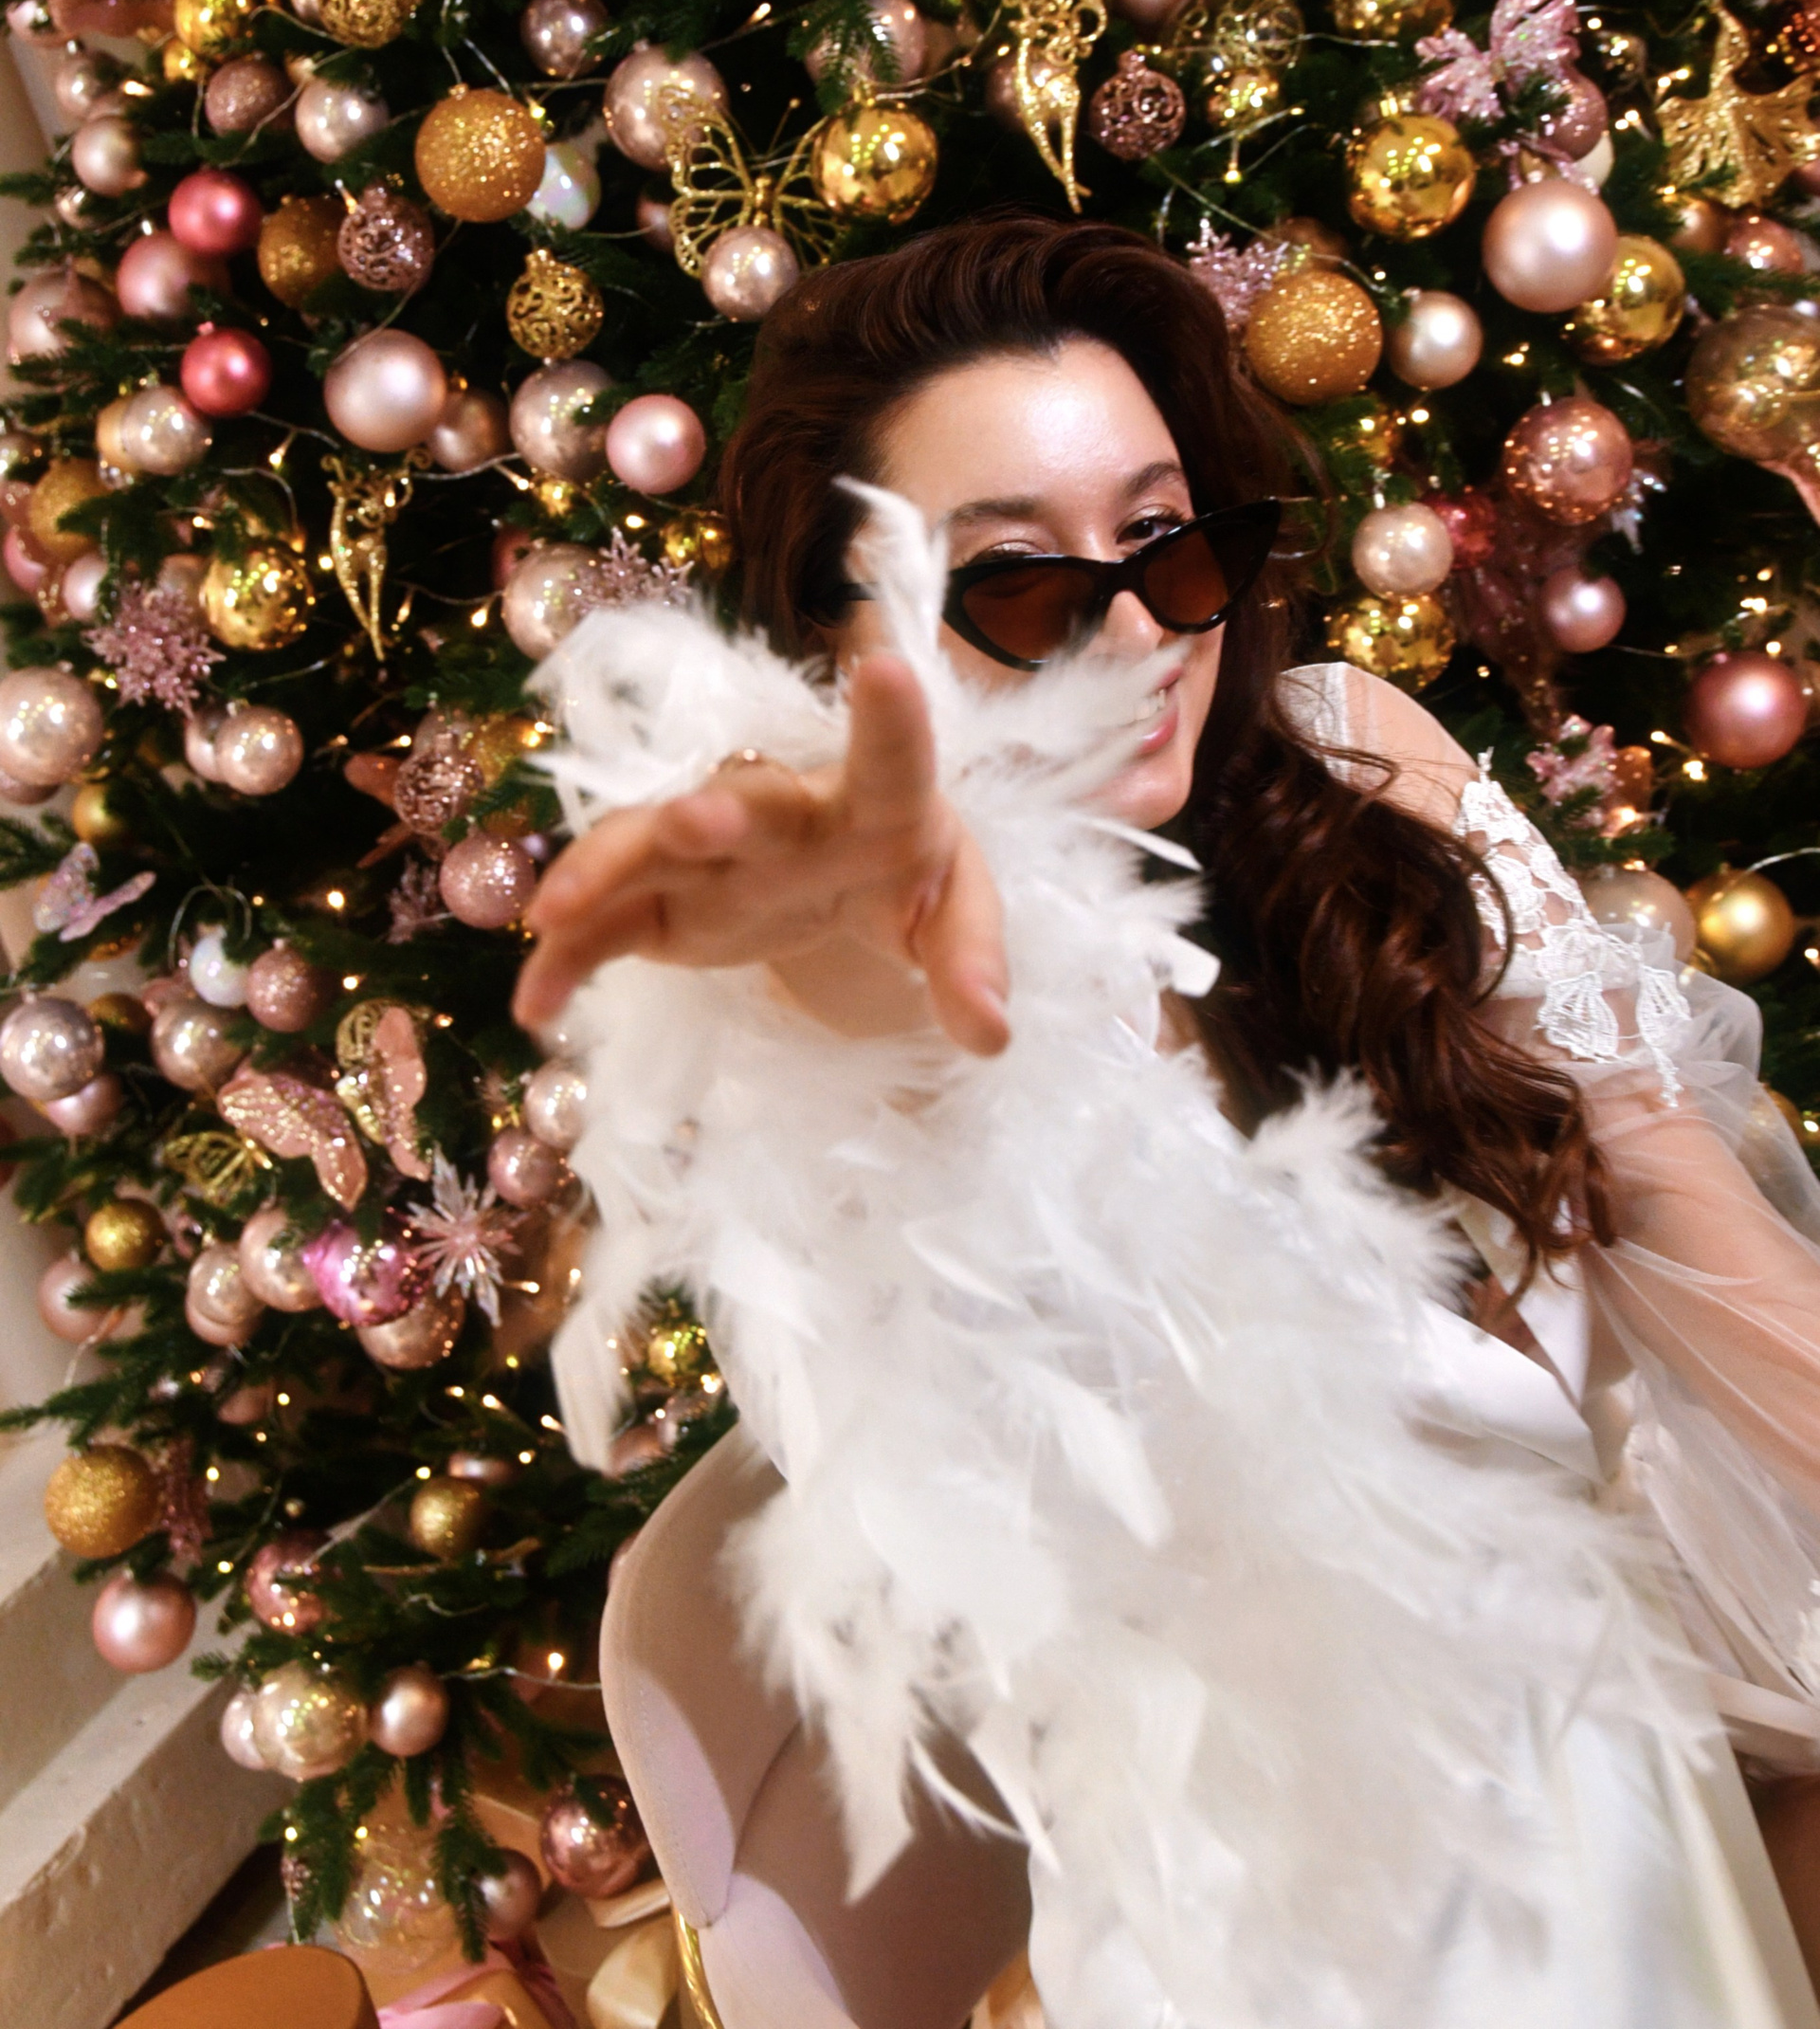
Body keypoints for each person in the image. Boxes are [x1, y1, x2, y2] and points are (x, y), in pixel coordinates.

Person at [519, 215, 1820, 2029]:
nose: (1134, 630)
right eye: (1016, 583)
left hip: (1636, 1811)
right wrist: (831, 942)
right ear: (837, 633)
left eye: (1164, 540)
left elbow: (1683, 1203)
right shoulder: (844, 1042)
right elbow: (907, 1090)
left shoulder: (1350, 765)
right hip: (1310, 1958)